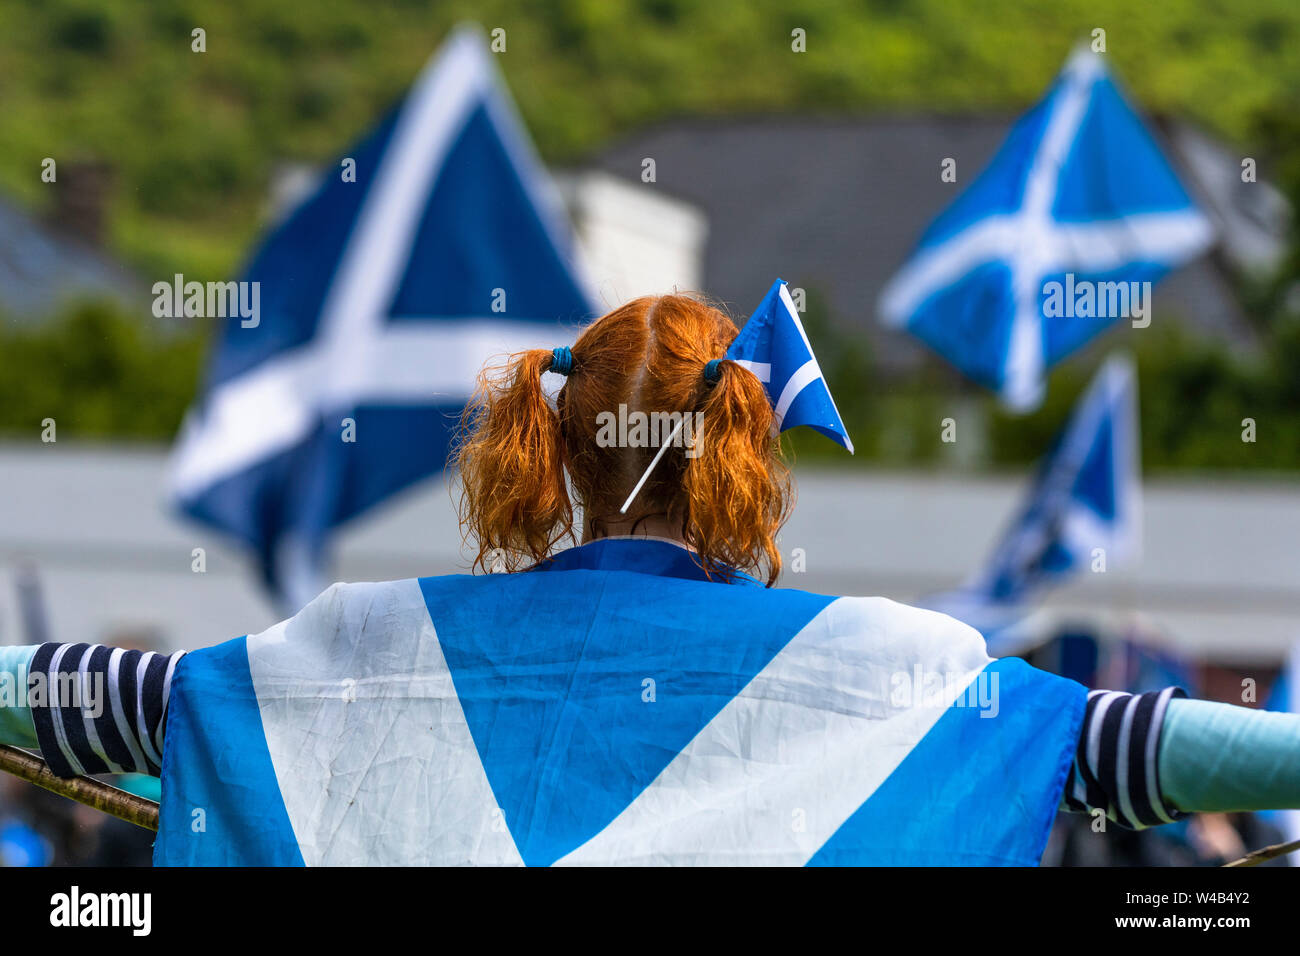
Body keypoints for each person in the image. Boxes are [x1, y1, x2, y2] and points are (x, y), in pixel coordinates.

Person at [1, 293, 1299, 866]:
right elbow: (1152, 749)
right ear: (745, 452)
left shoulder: (351, 645)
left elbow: (108, 698)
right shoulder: (892, 670)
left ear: (554, 444)